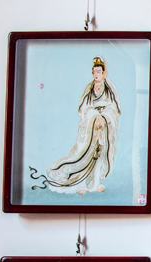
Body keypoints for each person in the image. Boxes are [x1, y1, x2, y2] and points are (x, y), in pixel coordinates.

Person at [30, 56, 121, 194]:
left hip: (103, 128)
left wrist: (104, 118)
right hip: (91, 128)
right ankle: (80, 183)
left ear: (104, 73)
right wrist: (95, 117)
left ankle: (94, 184)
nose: (96, 74)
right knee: (84, 154)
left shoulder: (109, 89)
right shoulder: (89, 89)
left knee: (99, 155)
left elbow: (114, 108)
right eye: (94, 71)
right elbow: (83, 108)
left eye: (99, 71)